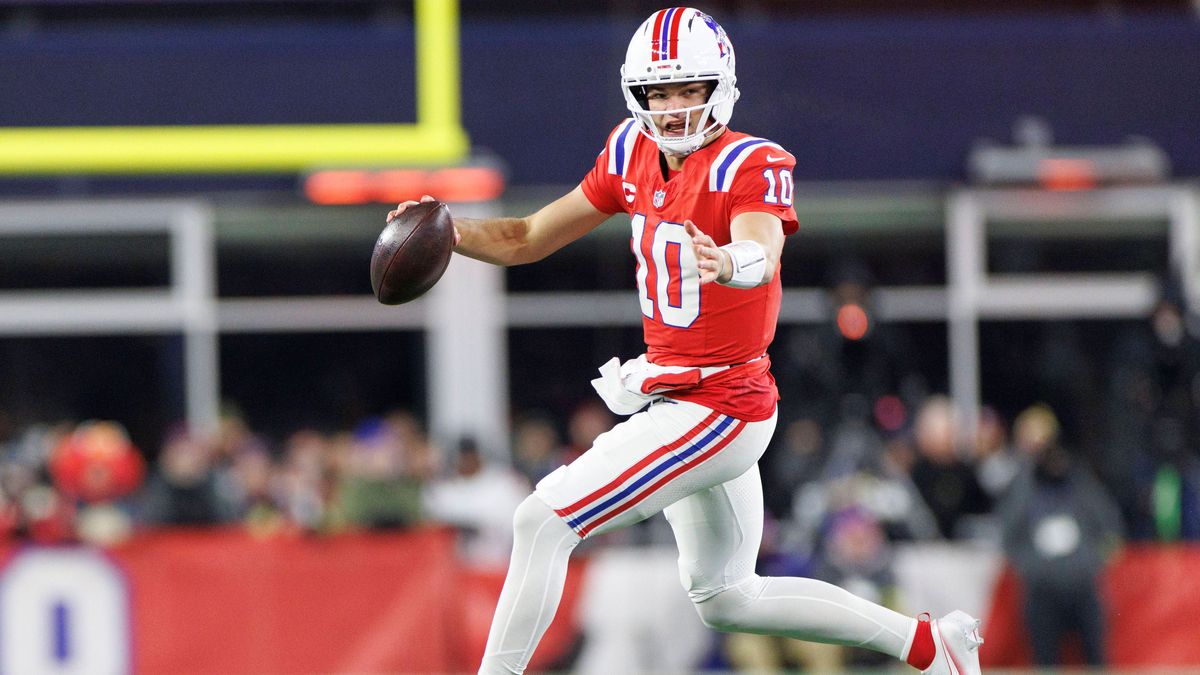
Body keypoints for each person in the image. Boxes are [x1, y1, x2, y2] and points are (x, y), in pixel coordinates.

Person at [388, 8, 982, 674]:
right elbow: (529, 236)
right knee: (729, 598)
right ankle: (930, 644)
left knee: (541, 519)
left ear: (718, 87)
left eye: (687, 89)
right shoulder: (628, 153)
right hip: (680, 395)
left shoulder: (750, 162)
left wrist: (728, 261)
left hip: (721, 403)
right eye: (659, 92)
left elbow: (763, 245)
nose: (671, 108)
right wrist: (449, 229)